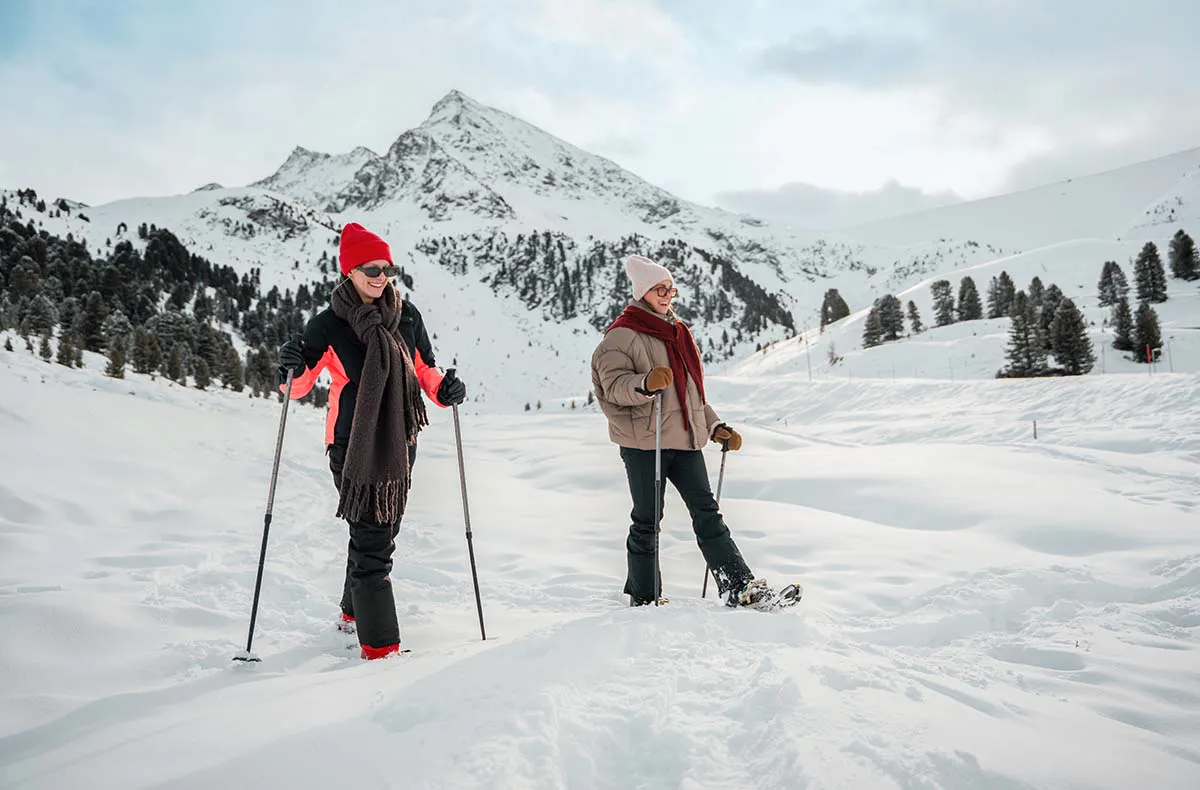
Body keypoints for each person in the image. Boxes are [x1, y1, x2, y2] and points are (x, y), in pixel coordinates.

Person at [276, 222, 467, 659]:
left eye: (386, 268)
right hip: (351, 446)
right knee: (374, 541)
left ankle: (351, 612)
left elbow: (424, 369)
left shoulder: (407, 315)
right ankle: (381, 650)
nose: (381, 277)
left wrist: (444, 390)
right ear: (349, 271)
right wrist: (288, 366)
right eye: (370, 269)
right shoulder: (328, 325)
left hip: (401, 442)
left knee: (379, 532)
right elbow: (299, 386)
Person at [590, 254, 777, 608]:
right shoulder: (621, 336)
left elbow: (689, 394)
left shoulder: (677, 334)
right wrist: (644, 383)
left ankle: (740, 587)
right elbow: (612, 385)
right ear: (643, 291)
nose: (667, 295)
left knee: (708, 514)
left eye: (671, 289)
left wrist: (714, 425)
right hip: (645, 443)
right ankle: (644, 597)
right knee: (647, 521)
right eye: (660, 289)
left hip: (686, 440)